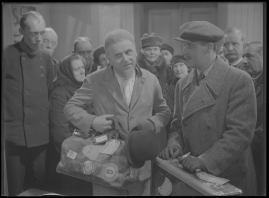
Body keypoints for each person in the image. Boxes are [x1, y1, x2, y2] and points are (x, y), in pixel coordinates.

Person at [63, 29, 171, 196]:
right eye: (118, 55)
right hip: (106, 165)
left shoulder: (150, 79)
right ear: (108, 58)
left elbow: (164, 111)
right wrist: (93, 121)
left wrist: (151, 123)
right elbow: (70, 108)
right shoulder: (94, 80)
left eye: (128, 52)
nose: (125, 59)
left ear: (136, 51)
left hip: (141, 164)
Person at [159, 21, 257, 196]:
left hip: (227, 175)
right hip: (193, 176)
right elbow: (178, 125)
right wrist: (175, 144)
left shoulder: (238, 80)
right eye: (183, 45)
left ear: (209, 47)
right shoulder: (183, 83)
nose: (183, 52)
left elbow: (240, 134)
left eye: (190, 46)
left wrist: (205, 160)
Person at [3, 11, 55, 195]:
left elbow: (48, 89)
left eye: (42, 32)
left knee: (40, 185)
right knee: (16, 188)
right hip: (15, 133)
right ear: (22, 31)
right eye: (34, 33)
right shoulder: (7, 54)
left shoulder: (46, 57)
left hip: (40, 133)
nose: (39, 38)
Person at [48, 53, 93, 195]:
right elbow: (59, 131)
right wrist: (75, 154)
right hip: (71, 156)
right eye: (76, 69)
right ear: (67, 71)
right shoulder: (59, 93)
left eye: (82, 67)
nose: (82, 71)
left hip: (89, 152)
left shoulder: (86, 88)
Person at [242, 41, 265, 195]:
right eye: (243, 56)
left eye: (249, 56)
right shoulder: (254, 80)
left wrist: (236, 143)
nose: (244, 60)